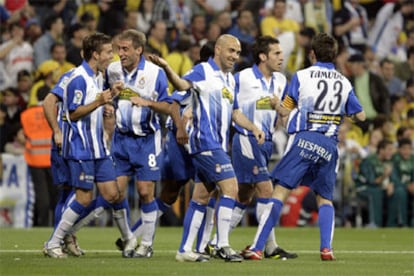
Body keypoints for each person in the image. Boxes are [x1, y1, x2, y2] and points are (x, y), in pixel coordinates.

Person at [241, 33, 366, 261]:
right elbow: (361, 115)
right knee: (324, 198)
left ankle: (257, 248)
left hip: (304, 139)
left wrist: (276, 104)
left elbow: (286, 110)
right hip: (329, 145)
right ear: (335, 55)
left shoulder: (301, 76)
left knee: (279, 191)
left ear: (312, 54)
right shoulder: (344, 82)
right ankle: (326, 248)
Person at [150, 34, 265, 262]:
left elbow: (235, 113)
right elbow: (182, 86)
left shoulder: (229, 80)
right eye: (231, 51)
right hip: (204, 143)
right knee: (231, 188)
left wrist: (253, 127)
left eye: (238, 52)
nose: (235, 56)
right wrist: (166, 68)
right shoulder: (203, 70)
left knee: (201, 197)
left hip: (218, 144)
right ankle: (222, 245)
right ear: (219, 50)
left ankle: (184, 250)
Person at [43, 32, 135, 258]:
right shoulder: (77, 78)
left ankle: (126, 238)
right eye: (107, 52)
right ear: (95, 54)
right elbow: (73, 114)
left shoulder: (97, 77)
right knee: (82, 196)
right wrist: (98, 102)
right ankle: (54, 242)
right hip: (80, 147)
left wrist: (109, 100)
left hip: (99, 147)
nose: (111, 56)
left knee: (113, 193)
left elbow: (96, 108)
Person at [216, 35, 296, 261]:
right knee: (267, 191)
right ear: (263, 56)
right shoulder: (240, 78)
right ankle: (267, 246)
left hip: (267, 142)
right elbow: (227, 103)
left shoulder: (281, 81)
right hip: (245, 139)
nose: (282, 57)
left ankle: (215, 243)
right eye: (277, 54)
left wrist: (278, 106)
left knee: (244, 195)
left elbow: (285, 113)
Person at [106, 29, 181, 258]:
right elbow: (106, 95)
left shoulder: (155, 73)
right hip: (121, 139)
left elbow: (169, 107)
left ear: (139, 49)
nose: (121, 53)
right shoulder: (113, 70)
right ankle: (129, 238)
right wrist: (109, 99)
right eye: (119, 48)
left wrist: (147, 103)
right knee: (115, 193)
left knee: (145, 191)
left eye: (126, 49)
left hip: (147, 139)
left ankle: (146, 244)